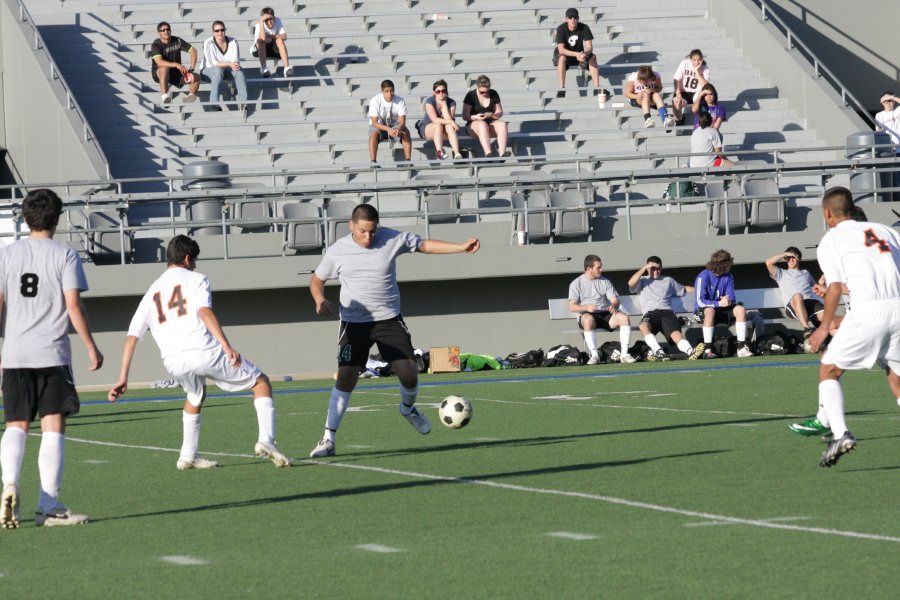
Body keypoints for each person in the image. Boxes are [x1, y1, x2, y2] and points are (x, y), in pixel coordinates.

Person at [308, 204, 480, 457]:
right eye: (363, 231)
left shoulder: (392, 238)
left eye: (373, 231)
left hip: (388, 321)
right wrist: (319, 300)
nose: (369, 237)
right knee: (346, 376)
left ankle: (408, 409)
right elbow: (316, 280)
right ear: (351, 226)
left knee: (409, 373)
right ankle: (327, 440)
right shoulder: (337, 251)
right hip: (354, 324)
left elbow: (424, 245)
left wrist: (459, 247)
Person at [107, 235, 291, 470]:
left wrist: (123, 377)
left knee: (195, 395)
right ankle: (267, 440)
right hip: (204, 351)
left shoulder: (151, 292)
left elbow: (132, 337)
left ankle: (188, 455)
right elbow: (204, 312)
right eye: (194, 260)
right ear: (186, 258)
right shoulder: (196, 279)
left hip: (173, 361)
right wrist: (226, 345)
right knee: (261, 383)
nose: (195, 265)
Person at [0, 189, 104, 529]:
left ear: (25, 218)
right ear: (56, 219)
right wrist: (91, 346)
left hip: (14, 354)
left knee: (15, 423)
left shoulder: (7, 254)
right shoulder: (65, 255)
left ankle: (10, 483)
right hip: (51, 353)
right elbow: (73, 305)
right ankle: (47, 504)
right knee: (52, 426)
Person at [805, 186, 900, 467]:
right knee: (895, 376)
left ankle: (840, 433)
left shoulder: (831, 239)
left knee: (829, 369)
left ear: (827, 213)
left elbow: (833, 287)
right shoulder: (885, 230)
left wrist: (823, 328)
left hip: (869, 310)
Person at [627, 256, 704, 361]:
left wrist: (702, 291)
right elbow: (630, 283)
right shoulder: (642, 281)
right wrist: (644, 267)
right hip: (651, 314)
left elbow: (684, 289)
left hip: (667, 313)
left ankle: (691, 352)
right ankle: (659, 352)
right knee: (643, 326)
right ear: (648, 269)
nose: (656, 271)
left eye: (658, 268)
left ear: (661, 268)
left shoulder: (668, 280)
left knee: (676, 335)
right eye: (653, 268)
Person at [568, 255, 636, 365]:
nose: (601, 270)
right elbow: (572, 307)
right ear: (589, 269)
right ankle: (595, 356)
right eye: (598, 268)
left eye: (601, 267)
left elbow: (615, 300)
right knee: (588, 320)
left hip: (606, 314)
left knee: (624, 318)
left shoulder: (605, 281)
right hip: (588, 315)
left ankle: (624, 355)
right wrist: (586, 307)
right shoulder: (576, 283)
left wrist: (613, 306)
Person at [694, 249, 753, 358]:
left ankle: (741, 348)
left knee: (740, 309)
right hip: (704, 311)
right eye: (728, 264)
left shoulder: (729, 276)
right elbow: (700, 301)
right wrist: (719, 303)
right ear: (722, 266)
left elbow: (731, 298)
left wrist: (729, 300)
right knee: (710, 311)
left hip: (722, 309)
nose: (730, 266)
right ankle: (707, 351)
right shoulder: (703, 276)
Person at [765, 246, 827, 332]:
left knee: (826, 318)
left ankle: (826, 337)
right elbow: (768, 263)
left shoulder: (806, 273)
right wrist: (786, 254)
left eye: (793, 257)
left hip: (810, 303)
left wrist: (821, 283)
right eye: (788, 258)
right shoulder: (781, 273)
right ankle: (807, 330)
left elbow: (817, 288)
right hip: (793, 305)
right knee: (798, 296)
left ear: (799, 259)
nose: (791, 260)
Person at [553, 8, 603, 99]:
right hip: (567, 55)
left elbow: (589, 47)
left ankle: (597, 88)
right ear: (566, 19)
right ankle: (562, 88)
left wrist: (584, 53)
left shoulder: (584, 27)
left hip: (579, 54)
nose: (573, 19)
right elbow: (561, 50)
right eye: (570, 17)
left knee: (593, 57)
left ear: (578, 18)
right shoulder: (561, 28)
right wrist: (577, 54)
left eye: (575, 17)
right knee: (562, 58)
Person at [201, 21, 248, 110]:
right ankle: (214, 103)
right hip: (208, 71)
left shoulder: (233, 41)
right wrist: (230, 64)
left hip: (226, 70)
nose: (220, 32)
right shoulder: (208, 42)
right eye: (217, 30)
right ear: (213, 32)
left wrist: (233, 65)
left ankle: (243, 103)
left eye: (222, 30)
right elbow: (213, 63)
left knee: (239, 71)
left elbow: (235, 60)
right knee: (217, 71)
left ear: (225, 30)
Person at [151, 21, 200, 105]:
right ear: (159, 33)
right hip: (160, 73)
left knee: (196, 77)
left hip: (176, 74)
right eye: (163, 30)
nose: (166, 31)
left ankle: (191, 95)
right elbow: (159, 62)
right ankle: (165, 96)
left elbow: (193, 50)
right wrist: (176, 64)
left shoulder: (177, 40)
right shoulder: (156, 44)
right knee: (164, 69)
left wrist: (191, 68)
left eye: (168, 29)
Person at [463, 75, 511, 158]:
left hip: (490, 122)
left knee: (502, 124)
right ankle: (488, 153)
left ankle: (502, 153)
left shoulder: (493, 93)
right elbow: (465, 116)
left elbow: (499, 112)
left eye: (487, 92)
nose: (485, 94)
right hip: (473, 125)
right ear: (477, 87)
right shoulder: (471, 95)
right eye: (482, 92)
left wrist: (492, 115)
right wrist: (476, 117)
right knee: (482, 124)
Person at [368, 79, 412, 165]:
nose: (390, 94)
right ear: (382, 91)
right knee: (373, 133)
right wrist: (388, 129)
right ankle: (373, 162)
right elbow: (374, 122)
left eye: (391, 91)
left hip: (395, 125)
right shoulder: (375, 100)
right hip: (379, 126)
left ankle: (408, 161)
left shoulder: (400, 100)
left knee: (405, 132)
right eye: (387, 91)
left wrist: (399, 129)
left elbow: (402, 122)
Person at [417, 79, 463, 160]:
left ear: (446, 92)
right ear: (434, 92)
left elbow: (449, 119)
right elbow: (434, 119)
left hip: (444, 129)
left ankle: (456, 153)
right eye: (438, 91)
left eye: (443, 91)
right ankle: (439, 152)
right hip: (428, 127)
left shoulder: (452, 102)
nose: (441, 93)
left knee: (449, 126)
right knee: (438, 124)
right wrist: (451, 121)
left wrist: (444, 105)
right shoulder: (430, 101)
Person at [624, 65, 674, 130]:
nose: (643, 84)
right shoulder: (633, 77)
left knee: (656, 94)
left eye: (645, 82)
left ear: (650, 79)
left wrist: (652, 90)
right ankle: (648, 119)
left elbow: (659, 88)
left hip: (651, 96)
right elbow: (627, 93)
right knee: (645, 94)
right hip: (636, 97)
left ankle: (665, 118)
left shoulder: (656, 76)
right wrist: (637, 95)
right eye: (641, 82)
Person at [252, 7, 291, 78]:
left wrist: (271, 36)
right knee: (261, 41)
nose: (269, 22)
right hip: (259, 50)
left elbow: (284, 36)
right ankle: (264, 68)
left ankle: (286, 68)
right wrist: (261, 21)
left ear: (274, 18)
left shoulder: (277, 20)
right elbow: (263, 38)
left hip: (273, 48)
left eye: (271, 19)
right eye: (266, 20)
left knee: (279, 40)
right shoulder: (258, 26)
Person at [672, 49, 709, 123]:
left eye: (699, 60)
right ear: (690, 59)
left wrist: (697, 72)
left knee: (703, 100)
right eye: (694, 60)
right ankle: (679, 120)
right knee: (676, 103)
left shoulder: (705, 67)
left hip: (696, 92)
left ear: (702, 59)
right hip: (683, 91)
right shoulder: (685, 63)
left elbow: (705, 85)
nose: (697, 62)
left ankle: (703, 122)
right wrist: (678, 94)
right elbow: (676, 79)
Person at [875, 91, 900, 193]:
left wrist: (892, 97)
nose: (888, 103)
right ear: (882, 103)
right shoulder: (879, 115)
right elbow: (878, 132)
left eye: (890, 101)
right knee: (894, 174)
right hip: (890, 147)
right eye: (886, 102)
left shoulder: (898, 110)